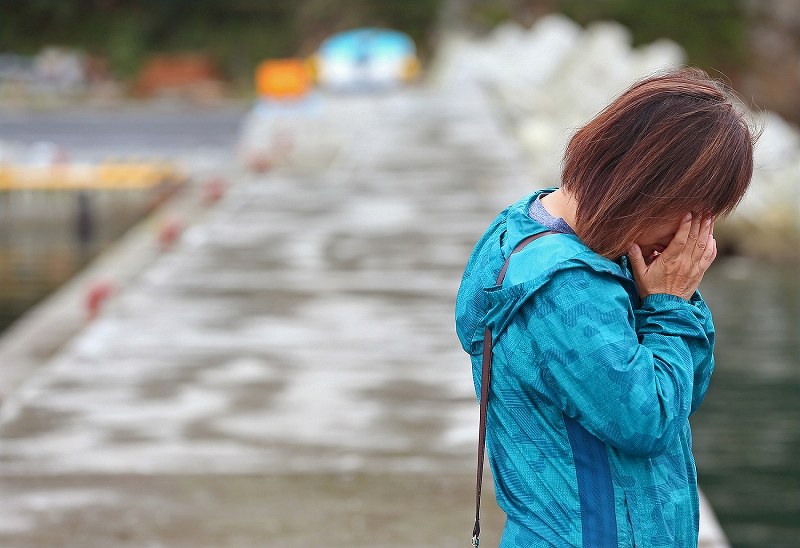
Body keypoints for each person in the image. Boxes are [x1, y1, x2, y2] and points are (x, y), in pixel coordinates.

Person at [455, 68, 755, 547]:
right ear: (657, 190)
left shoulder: (534, 232)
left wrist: (669, 299)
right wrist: (670, 304)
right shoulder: (565, 288)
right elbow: (647, 420)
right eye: (698, 213)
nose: (701, 233)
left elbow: (682, 398)